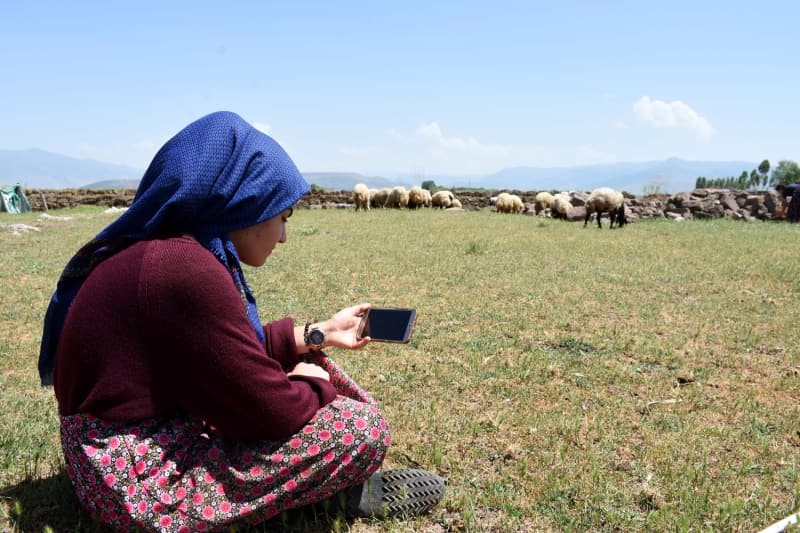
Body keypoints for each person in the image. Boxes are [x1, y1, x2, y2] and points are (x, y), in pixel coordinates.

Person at [38, 111, 445, 531]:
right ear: (243, 204)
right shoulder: (184, 269)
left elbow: (221, 351)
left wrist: (319, 333)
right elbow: (272, 412)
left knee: (312, 361)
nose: (284, 237)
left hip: (114, 454)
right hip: (137, 484)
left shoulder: (171, 252)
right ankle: (323, 492)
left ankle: (305, 485)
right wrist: (310, 383)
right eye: (281, 217)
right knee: (362, 429)